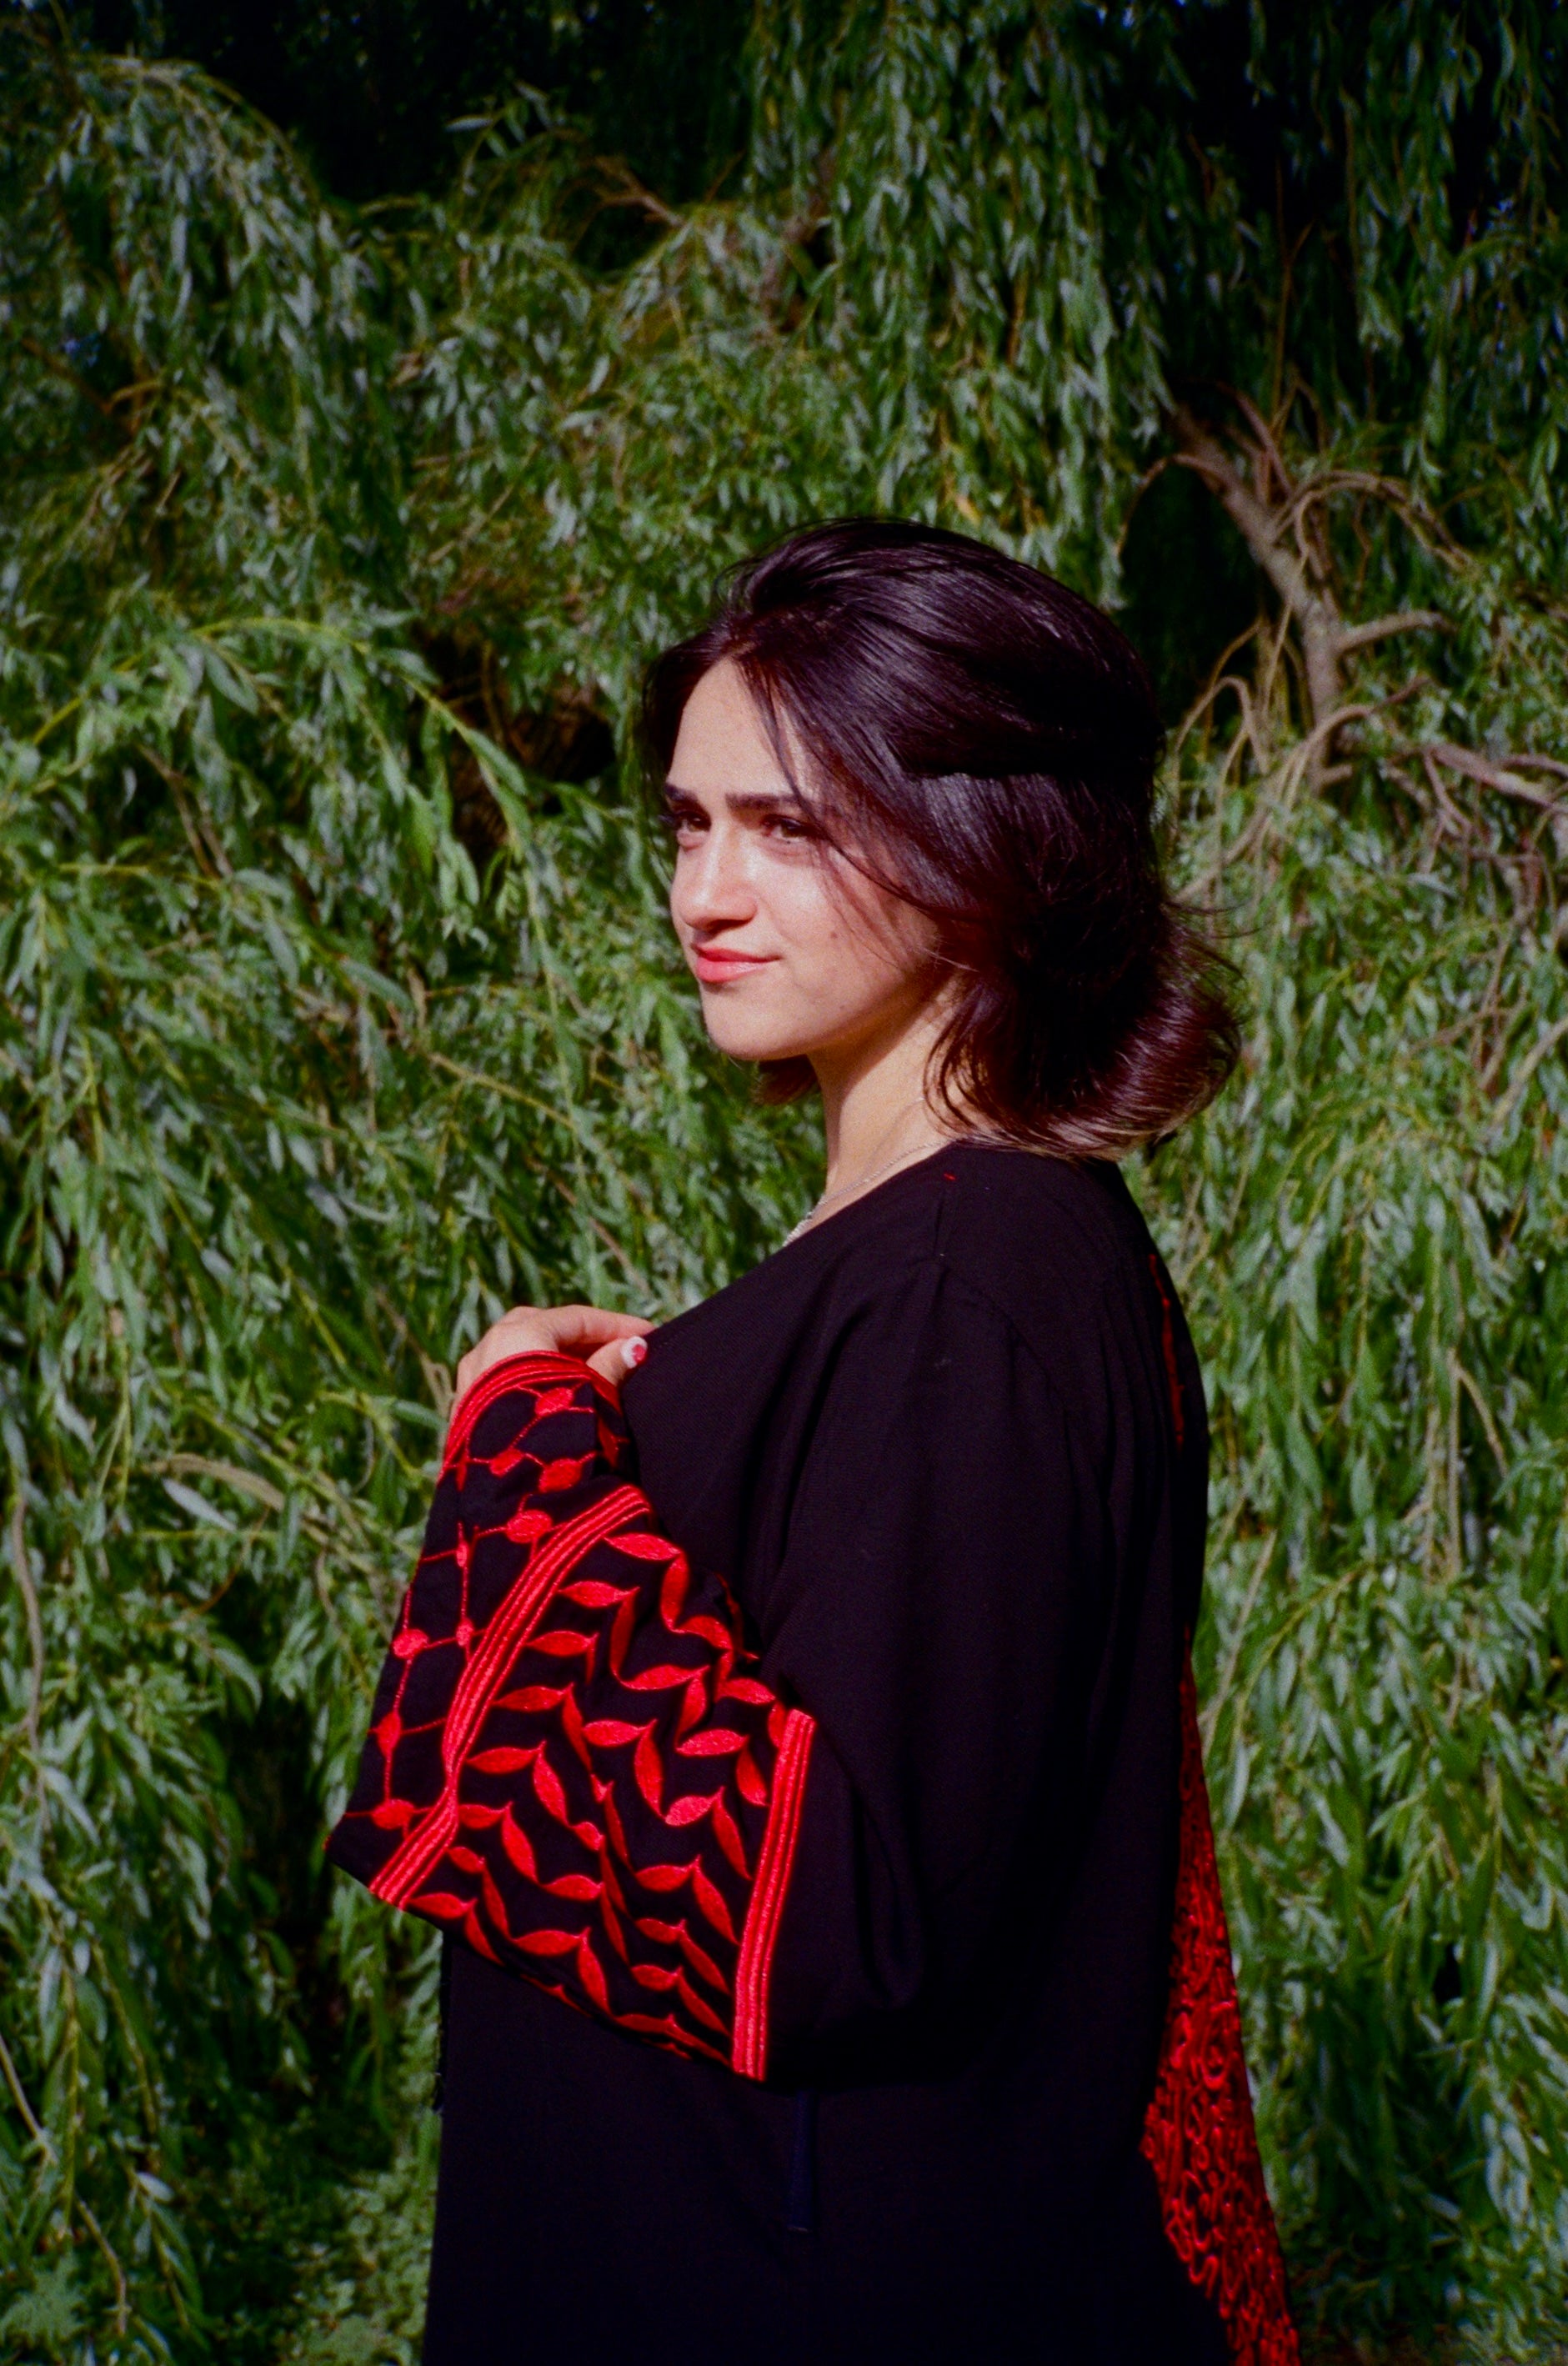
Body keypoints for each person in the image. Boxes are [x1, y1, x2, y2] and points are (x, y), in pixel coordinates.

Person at [328, 519, 1300, 2364]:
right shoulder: (936, 1261)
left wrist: (521, 1447)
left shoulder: (970, 1273)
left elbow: (838, 1899)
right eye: (687, 825)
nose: (705, 888)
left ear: (986, 845)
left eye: (787, 825)